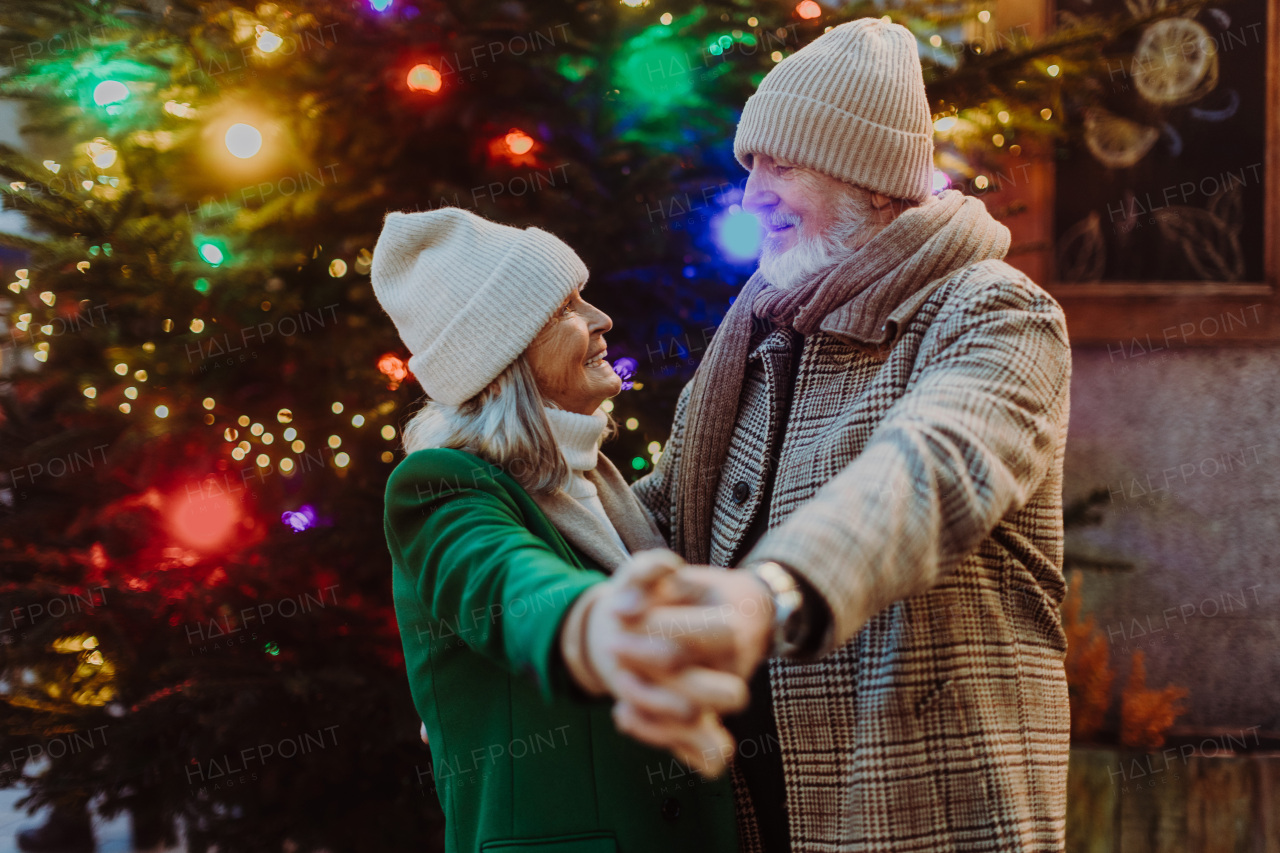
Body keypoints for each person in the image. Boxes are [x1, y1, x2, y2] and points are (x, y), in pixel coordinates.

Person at [613, 18, 1075, 853]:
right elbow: (660, 513)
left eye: (781, 164)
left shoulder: (997, 309)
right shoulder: (758, 328)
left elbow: (933, 469)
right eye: (750, 164)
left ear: (873, 183)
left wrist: (772, 593)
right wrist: (513, 657)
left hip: (931, 822)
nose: (752, 194)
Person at [372, 208, 753, 853]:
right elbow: (511, 586)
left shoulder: (595, 479)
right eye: (567, 308)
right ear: (507, 353)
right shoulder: (439, 484)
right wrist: (596, 627)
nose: (602, 320)